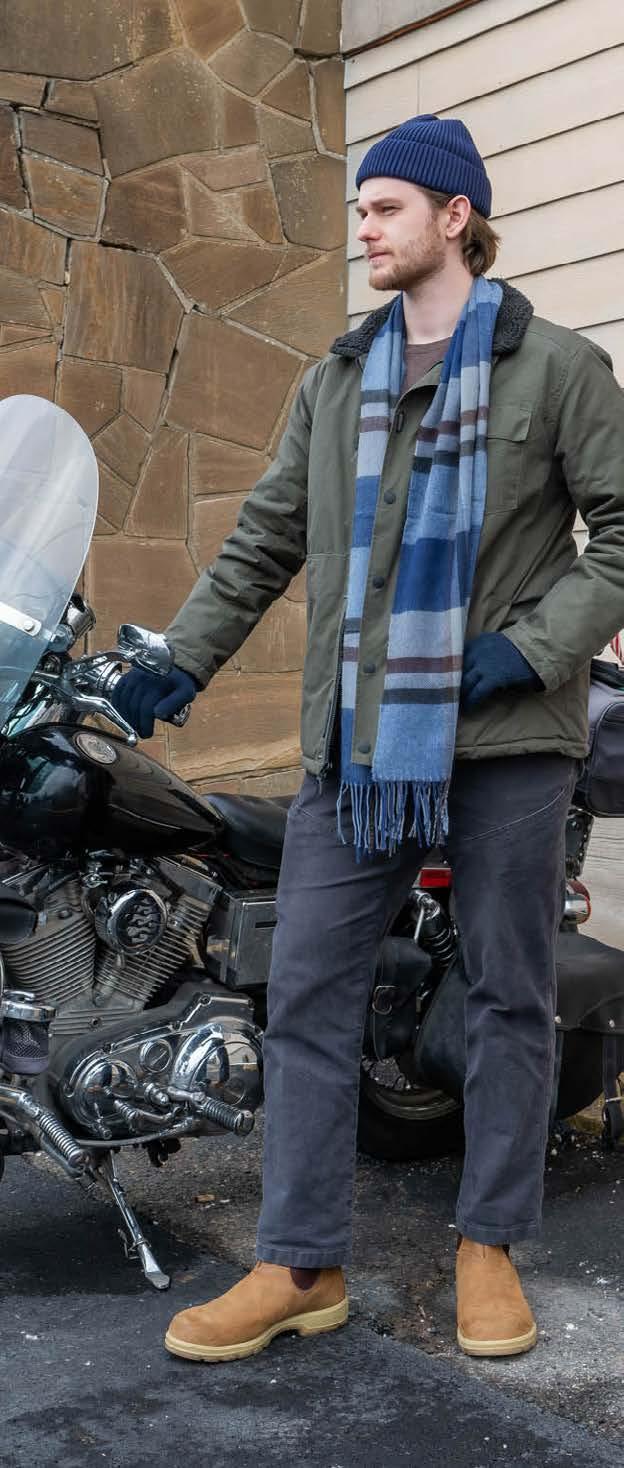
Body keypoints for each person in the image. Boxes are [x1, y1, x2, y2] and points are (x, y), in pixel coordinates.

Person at [112, 115, 624, 1362]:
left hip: (507, 744)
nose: (364, 228)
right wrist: (178, 661)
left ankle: (487, 1244)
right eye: (360, 208)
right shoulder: (336, 380)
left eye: (387, 206)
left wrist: (531, 648)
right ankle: (300, 1261)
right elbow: (263, 540)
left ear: (456, 215)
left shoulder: (559, 368)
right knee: (306, 991)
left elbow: (619, 534)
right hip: (357, 749)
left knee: (506, 995)